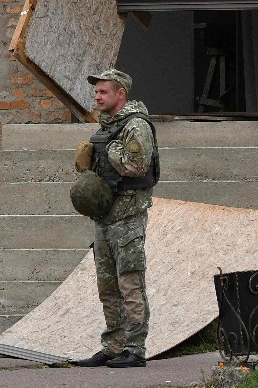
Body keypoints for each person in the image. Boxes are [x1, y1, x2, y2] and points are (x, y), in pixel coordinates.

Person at [70, 68, 160, 369]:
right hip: (105, 218)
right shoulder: (106, 127)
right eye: (96, 92)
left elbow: (136, 166)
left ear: (120, 94)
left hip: (128, 217)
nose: (97, 97)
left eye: (103, 92)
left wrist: (108, 150)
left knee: (130, 283)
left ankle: (135, 348)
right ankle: (113, 346)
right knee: (107, 286)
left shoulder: (136, 126)